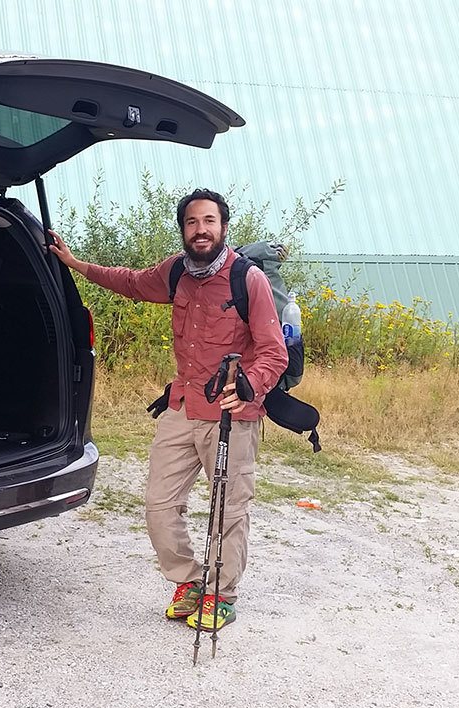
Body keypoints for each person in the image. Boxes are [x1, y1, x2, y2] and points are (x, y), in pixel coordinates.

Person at [48, 189, 288, 631]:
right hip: (182, 404)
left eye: (209, 222)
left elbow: (273, 351)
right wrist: (76, 264)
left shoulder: (246, 279)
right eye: (193, 222)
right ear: (183, 229)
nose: (201, 230)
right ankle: (190, 582)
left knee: (229, 508)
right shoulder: (176, 271)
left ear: (223, 227)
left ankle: (222, 594)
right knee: (159, 505)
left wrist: (249, 387)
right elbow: (132, 282)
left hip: (232, 414)